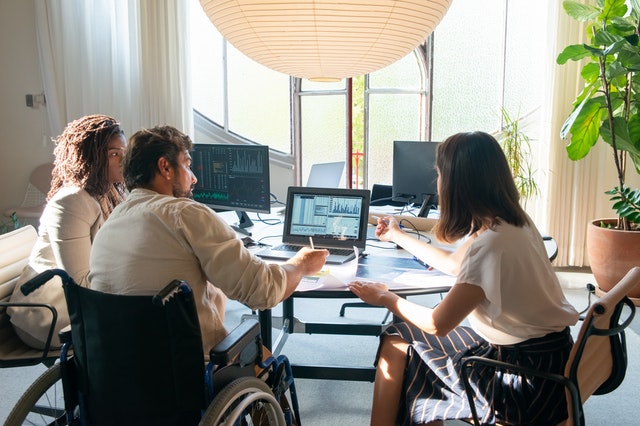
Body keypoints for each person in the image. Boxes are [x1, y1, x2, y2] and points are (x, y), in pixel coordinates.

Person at [348, 131, 579, 426]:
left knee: (407, 354)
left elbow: (437, 324)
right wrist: (397, 235)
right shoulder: (510, 221)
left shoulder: (492, 243)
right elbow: (453, 263)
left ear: (458, 184)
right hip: (546, 359)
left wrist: (384, 297)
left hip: (522, 379)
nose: (438, 182)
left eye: (440, 174)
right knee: (400, 339)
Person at [88, 125, 328, 355]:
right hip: (186, 369)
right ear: (165, 168)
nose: (193, 179)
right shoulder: (185, 214)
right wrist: (301, 264)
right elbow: (262, 291)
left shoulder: (109, 223)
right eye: (187, 165)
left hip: (117, 370)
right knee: (271, 363)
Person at [9, 114, 127, 349]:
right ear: (91, 157)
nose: (124, 160)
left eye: (124, 152)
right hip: (48, 316)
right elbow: (80, 284)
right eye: (114, 154)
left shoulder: (110, 192)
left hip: (77, 304)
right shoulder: (72, 201)